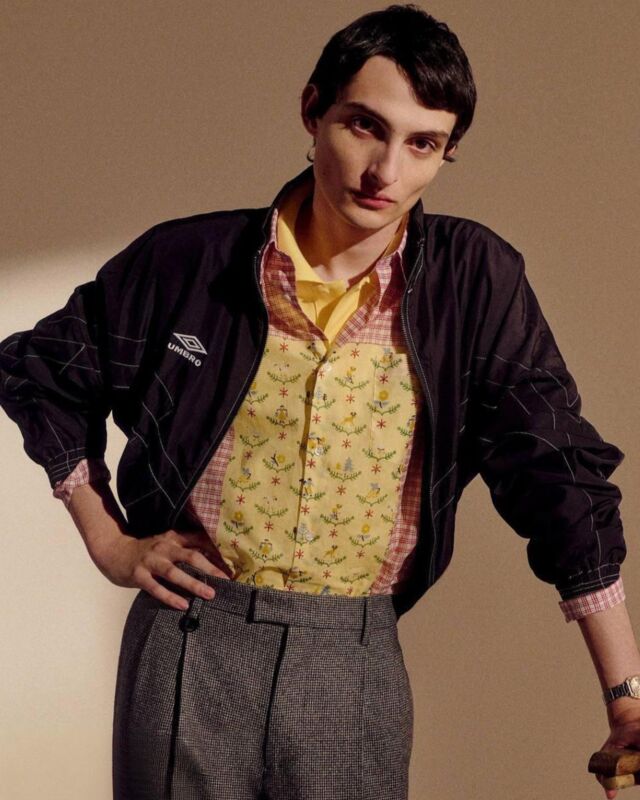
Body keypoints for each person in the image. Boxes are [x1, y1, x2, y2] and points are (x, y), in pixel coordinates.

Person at [0, 4, 637, 799]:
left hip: (353, 656)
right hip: (189, 641)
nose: (385, 172)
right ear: (312, 110)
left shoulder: (473, 282)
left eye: (423, 144)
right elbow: (43, 372)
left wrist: (625, 698)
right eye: (365, 126)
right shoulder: (189, 262)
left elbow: (558, 475)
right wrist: (110, 543)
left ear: (446, 152)